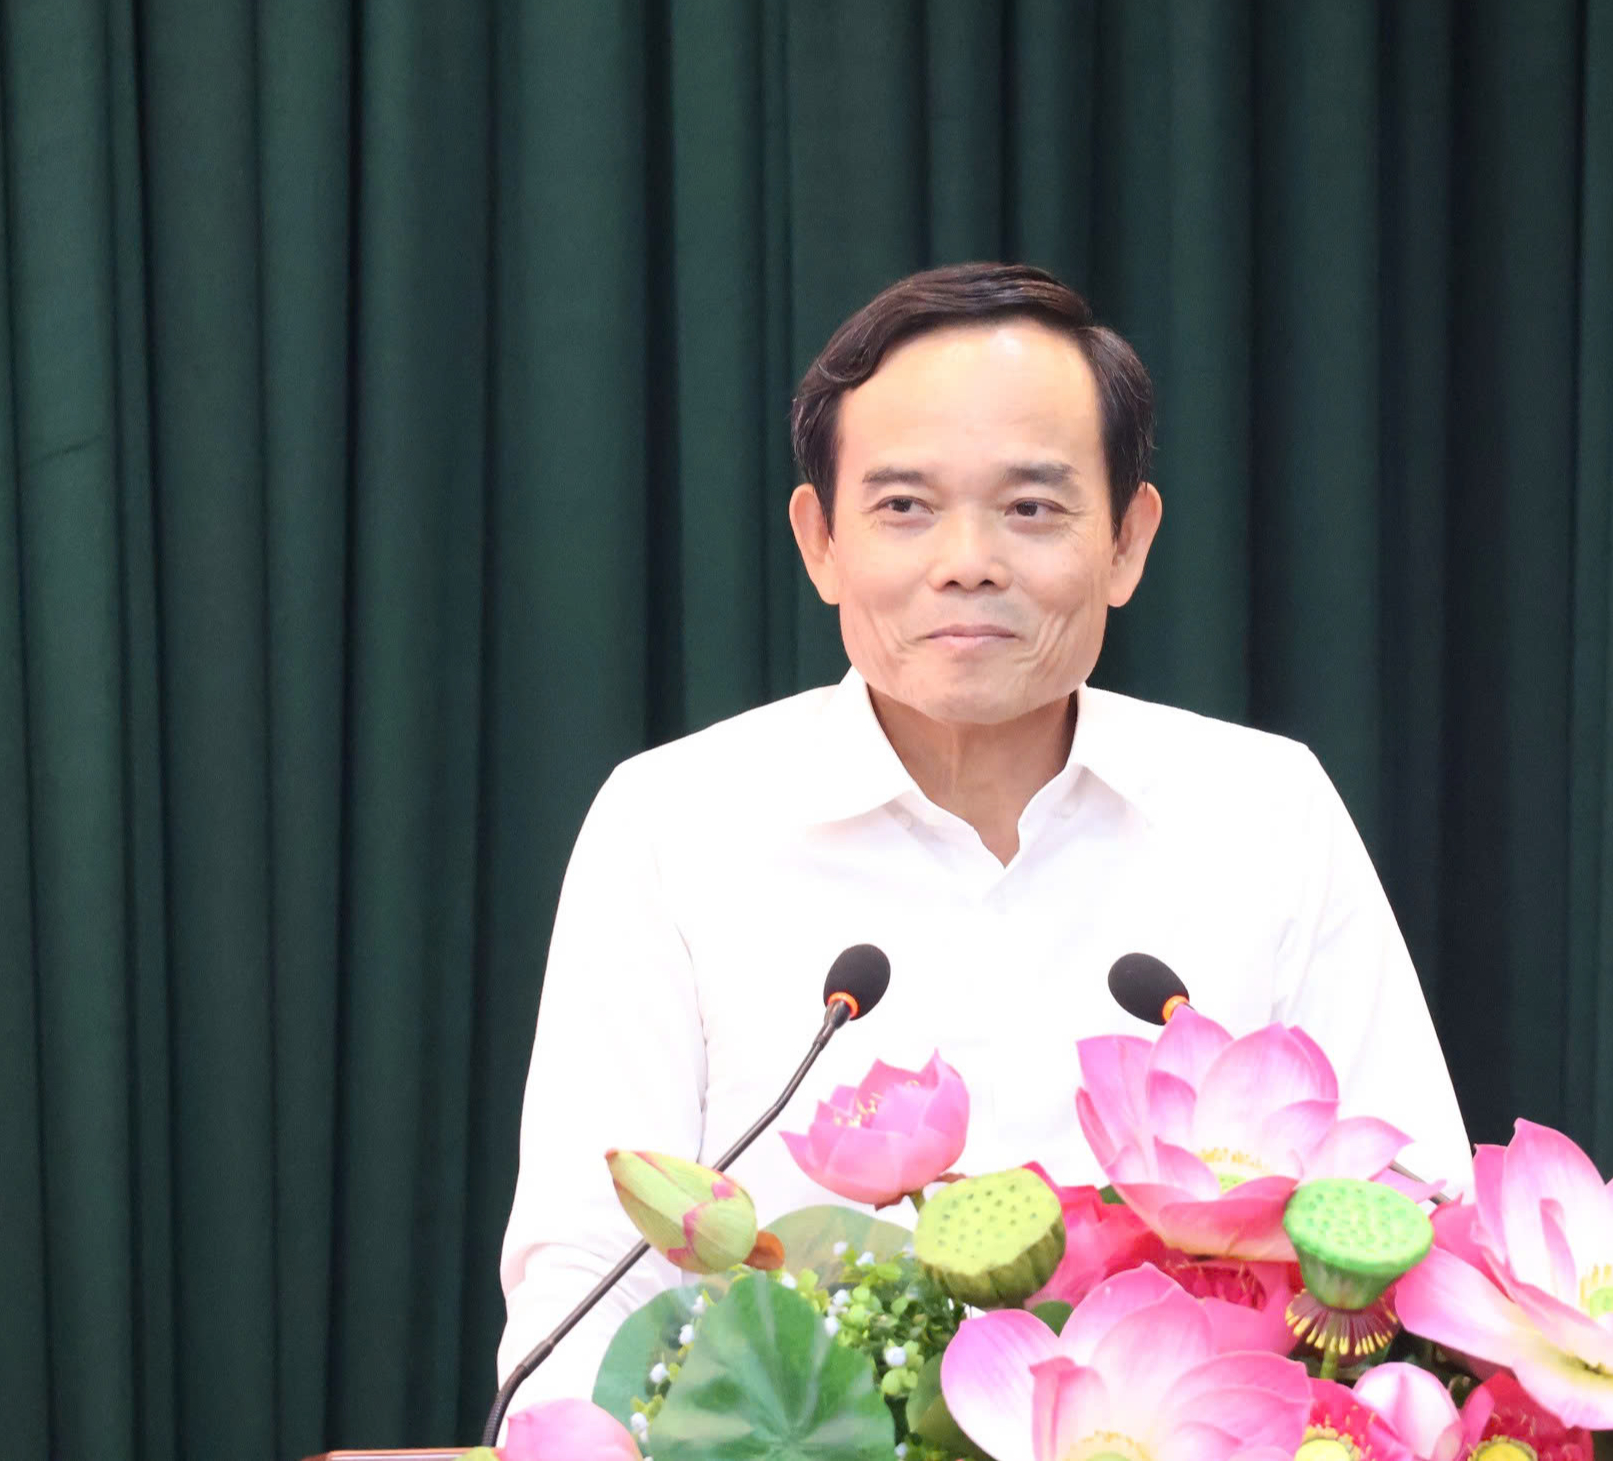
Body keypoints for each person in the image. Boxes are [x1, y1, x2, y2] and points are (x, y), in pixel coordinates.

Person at [496, 262, 1473, 1407]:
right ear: (819, 542)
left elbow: (1410, 1210)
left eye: (1032, 508)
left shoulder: (1264, 810)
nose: (968, 560)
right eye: (904, 507)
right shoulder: (674, 822)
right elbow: (587, 1276)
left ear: (1127, 542)